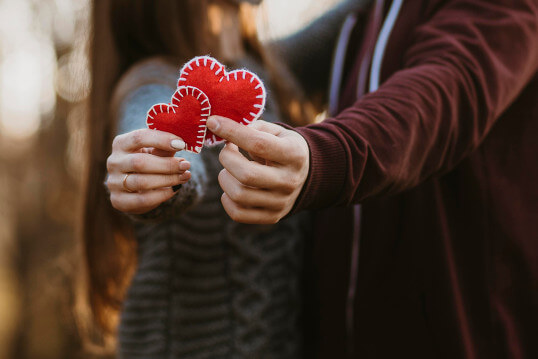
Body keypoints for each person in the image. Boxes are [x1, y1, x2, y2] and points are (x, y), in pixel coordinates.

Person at [206, 0, 538, 358]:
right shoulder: (364, 14)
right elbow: (263, 68)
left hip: (461, 333)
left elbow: (439, 96)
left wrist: (324, 157)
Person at [82, 0, 319, 357]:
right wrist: (160, 173)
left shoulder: (268, 69)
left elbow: (356, 11)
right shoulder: (151, 81)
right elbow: (158, 130)